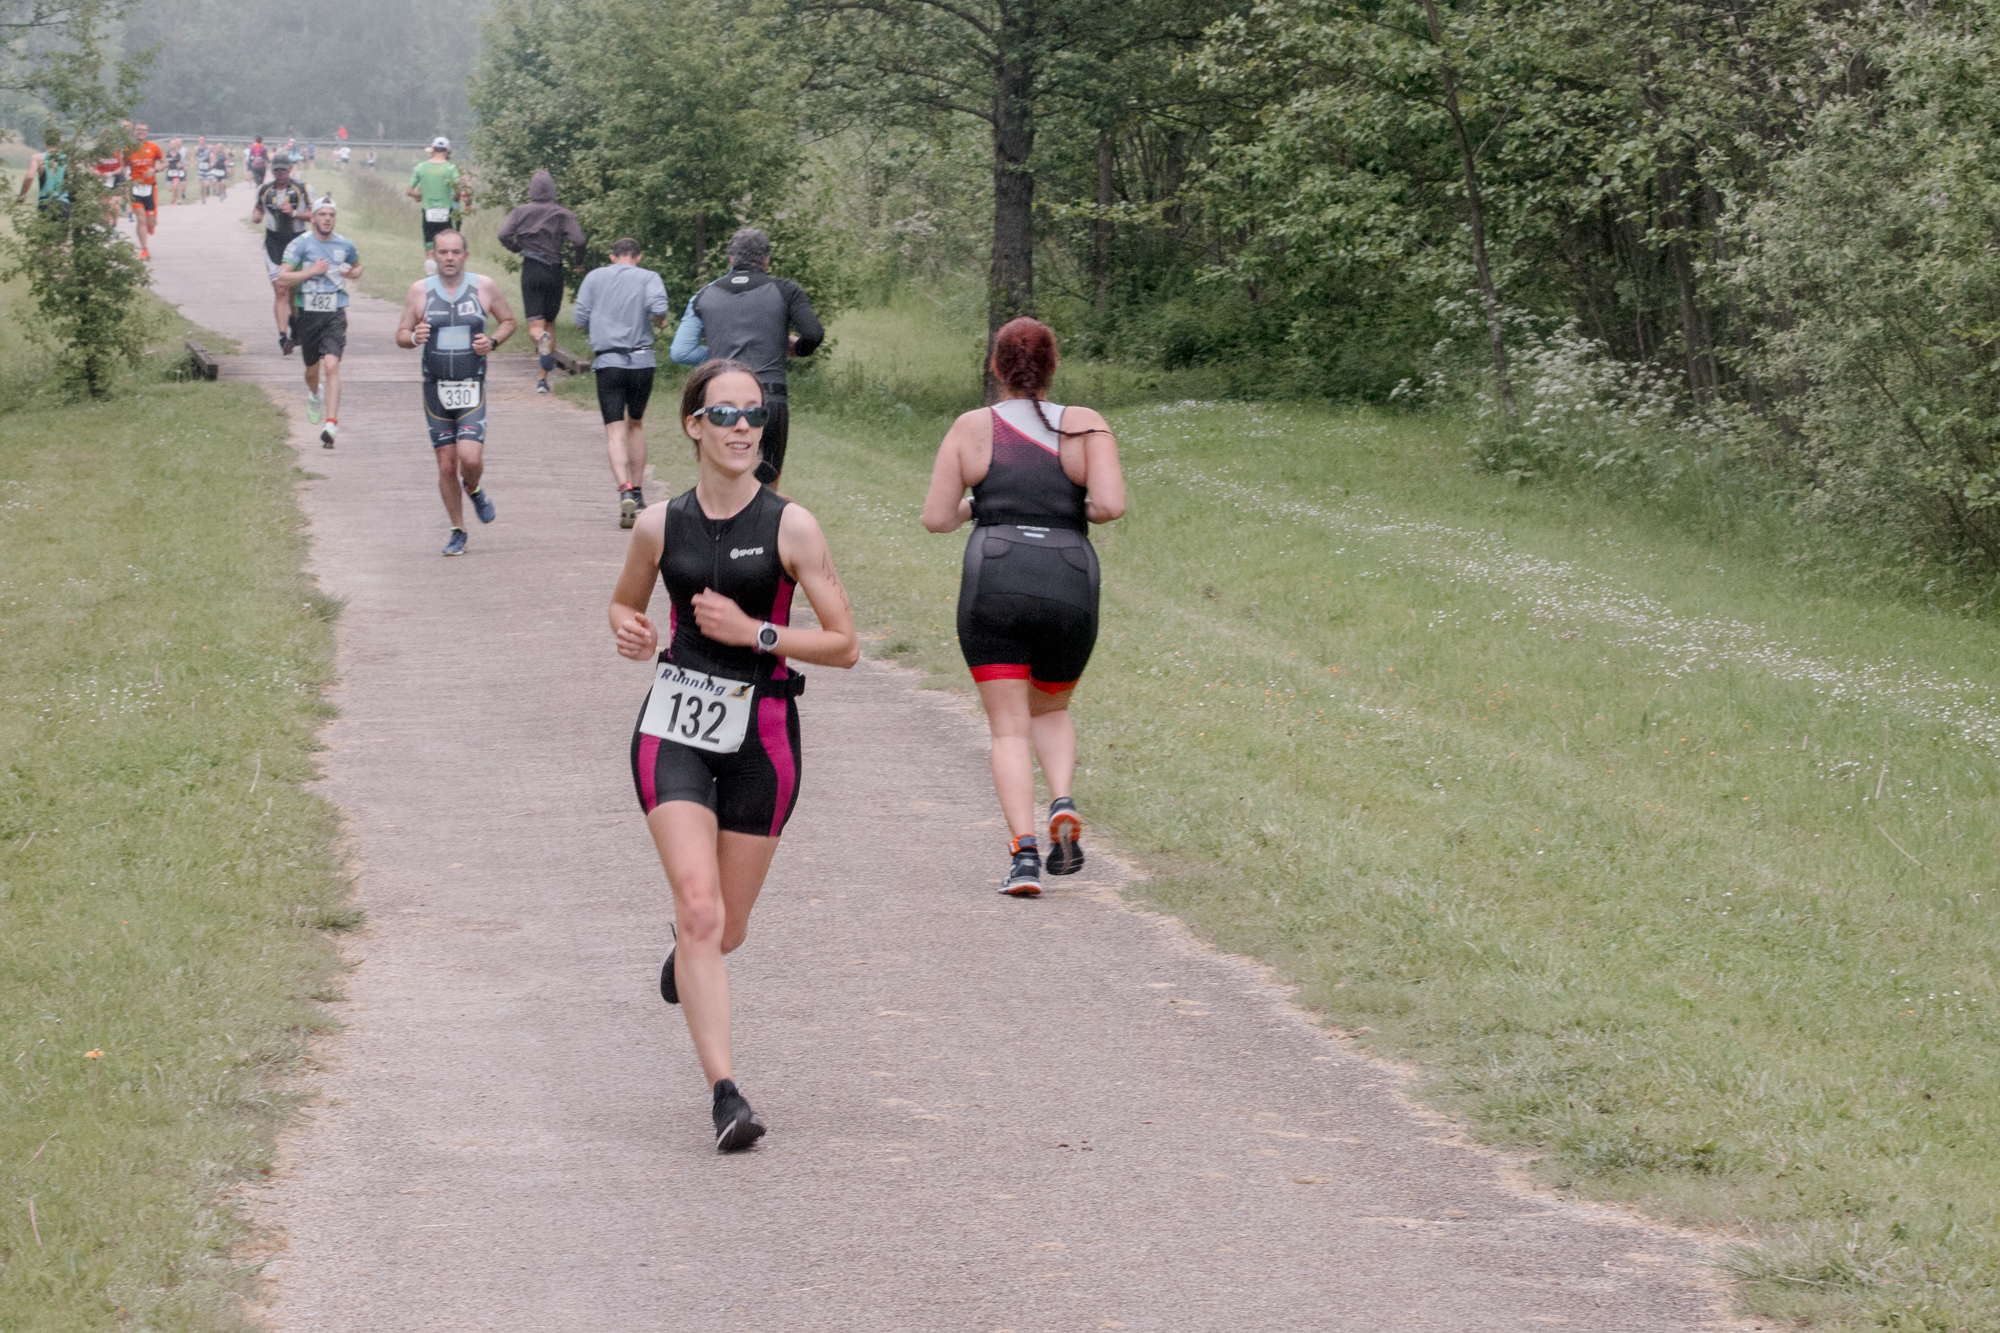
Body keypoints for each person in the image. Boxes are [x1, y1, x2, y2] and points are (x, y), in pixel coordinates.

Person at [607, 358, 860, 1150]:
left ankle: (689, 956)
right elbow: (625, 599)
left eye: (753, 414)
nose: (743, 427)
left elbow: (846, 643)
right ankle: (726, 1095)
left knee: (728, 927)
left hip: (764, 736)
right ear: (693, 426)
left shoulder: (792, 526)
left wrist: (757, 633)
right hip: (675, 726)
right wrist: (627, 626)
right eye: (725, 414)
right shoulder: (659, 524)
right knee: (700, 906)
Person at [920, 317, 1126, 896]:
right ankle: (1062, 797)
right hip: (1068, 574)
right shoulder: (1087, 427)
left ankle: (1024, 856)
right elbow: (1109, 505)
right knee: (1051, 710)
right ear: (1052, 366)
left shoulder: (971, 427)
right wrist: (1063, 512)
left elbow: (937, 518)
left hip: (996, 572)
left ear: (995, 366)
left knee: (1009, 730)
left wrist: (978, 506)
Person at [669, 227, 823, 486]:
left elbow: (681, 351)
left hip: (721, 402)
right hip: (768, 400)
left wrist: (721, 352)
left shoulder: (704, 295)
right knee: (767, 487)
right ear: (766, 260)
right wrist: (798, 348)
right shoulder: (785, 290)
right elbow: (813, 333)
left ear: (731, 259)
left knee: (721, 480)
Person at [394, 230, 516, 556]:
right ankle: (458, 530)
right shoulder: (419, 291)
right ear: (433, 255)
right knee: (446, 465)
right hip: (435, 389)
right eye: (442, 252)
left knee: (470, 458)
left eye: (454, 252)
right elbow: (401, 334)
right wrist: (413, 336)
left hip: (471, 386)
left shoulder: (484, 286)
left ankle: (473, 487)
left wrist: (492, 342)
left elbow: (508, 321)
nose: (448, 258)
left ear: (465, 255)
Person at [573, 238, 669, 527]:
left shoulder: (594, 277)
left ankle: (624, 489)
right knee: (636, 424)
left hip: (608, 363)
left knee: (615, 432)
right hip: (642, 362)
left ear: (613, 256)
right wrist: (659, 322)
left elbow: (579, 319)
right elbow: (659, 309)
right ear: (638, 257)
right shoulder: (649, 277)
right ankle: (638, 495)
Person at [275, 197, 361, 448]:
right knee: (312, 371)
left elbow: (358, 267)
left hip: (335, 313)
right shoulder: (300, 244)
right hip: (308, 314)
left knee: (332, 366)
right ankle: (315, 395)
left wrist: (352, 273)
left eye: (331, 215)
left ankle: (331, 425)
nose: (326, 219)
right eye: (321, 214)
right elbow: (283, 277)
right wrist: (311, 271)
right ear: (312, 218)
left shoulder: (345, 244)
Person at [497, 167, 585, 396]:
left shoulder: (520, 211)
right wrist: (578, 263)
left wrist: (517, 247)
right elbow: (579, 240)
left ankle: (541, 344)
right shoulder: (563, 214)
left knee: (536, 328)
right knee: (550, 324)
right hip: (555, 272)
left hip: (532, 269)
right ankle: (542, 380)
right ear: (553, 190)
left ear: (531, 190)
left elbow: (503, 235)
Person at [252, 159, 312, 355]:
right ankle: (282, 336)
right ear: (272, 171)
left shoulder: (302, 188)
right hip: (274, 242)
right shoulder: (264, 189)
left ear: (290, 170)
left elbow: (314, 215)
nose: (280, 174)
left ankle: (295, 323)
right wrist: (256, 215)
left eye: (283, 170)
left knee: (293, 290)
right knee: (281, 289)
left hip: (296, 241)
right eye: (276, 170)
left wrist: (294, 212)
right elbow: (259, 208)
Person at [407, 137, 465, 276]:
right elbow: (458, 188)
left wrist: (418, 196)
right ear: (448, 150)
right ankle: (447, 277)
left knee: (430, 249)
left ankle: (430, 277)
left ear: (432, 149)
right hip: (447, 212)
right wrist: (456, 197)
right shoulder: (451, 168)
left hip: (428, 211)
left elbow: (409, 191)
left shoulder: (421, 167)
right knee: (448, 248)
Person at [124, 125, 164, 259]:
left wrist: (155, 170)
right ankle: (144, 249)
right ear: (134, 132)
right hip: (135, 188)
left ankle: (150, 225)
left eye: (143, 130)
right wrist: (127, 177)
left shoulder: (153, 147)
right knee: (140, 219)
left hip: (150, 187)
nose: (141, 132)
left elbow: (165, 163)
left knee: (151, 221)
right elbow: (123, 166)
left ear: (147, 133)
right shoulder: (128, 149)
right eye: (138, 130)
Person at [19, 144, 68, 219]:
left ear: (45, 140)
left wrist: (21, 195)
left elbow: (29, 177)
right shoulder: (68, 158)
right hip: (64, 205)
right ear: (60, 139)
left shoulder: (37, 158)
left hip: (45, 204)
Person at [165, 138, 188, 205]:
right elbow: (163, 162)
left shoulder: (178, 154)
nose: (173, 146)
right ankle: (177, 198)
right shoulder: (166, 154)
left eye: (174, 144)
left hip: (176, 173)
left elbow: (180, 162)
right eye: (171, 144)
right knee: (170, 189)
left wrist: (183, 166)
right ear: (169, 145)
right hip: (169, 173)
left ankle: (174, 200)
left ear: (176, 145)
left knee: (175, 187)